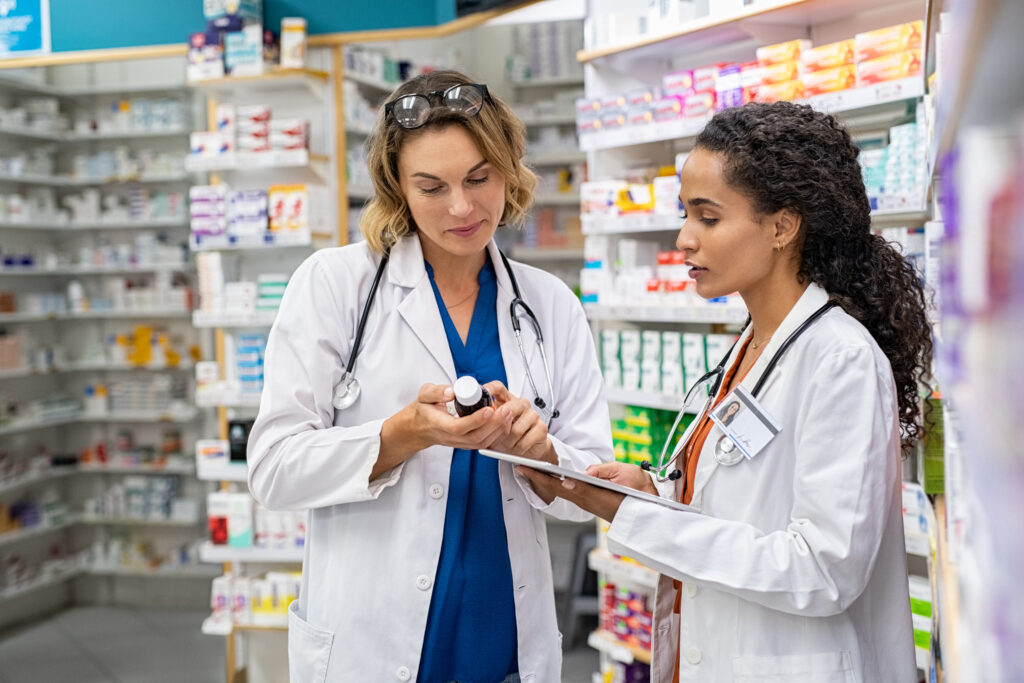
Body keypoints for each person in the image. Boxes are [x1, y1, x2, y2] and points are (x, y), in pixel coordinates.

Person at [519, 101, 931, 683]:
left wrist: (633, 516)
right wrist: (655, 490)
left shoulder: (840, 359)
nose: (684, 239)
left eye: (708, 218)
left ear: (783, 226)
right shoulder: (752, 342)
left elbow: (823, 568)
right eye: (686, 215)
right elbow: (742, 498)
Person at [246, 70, 612, 683]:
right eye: (431, 186)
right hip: (371, 643)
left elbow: (593, 487)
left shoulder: (549, 305)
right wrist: (403, 433)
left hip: (506, 647)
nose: (463, 207)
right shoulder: (336, 285)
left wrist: (544, 455)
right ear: (397, 187)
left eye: (479, 177)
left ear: (508, 167)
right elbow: (273, 470)